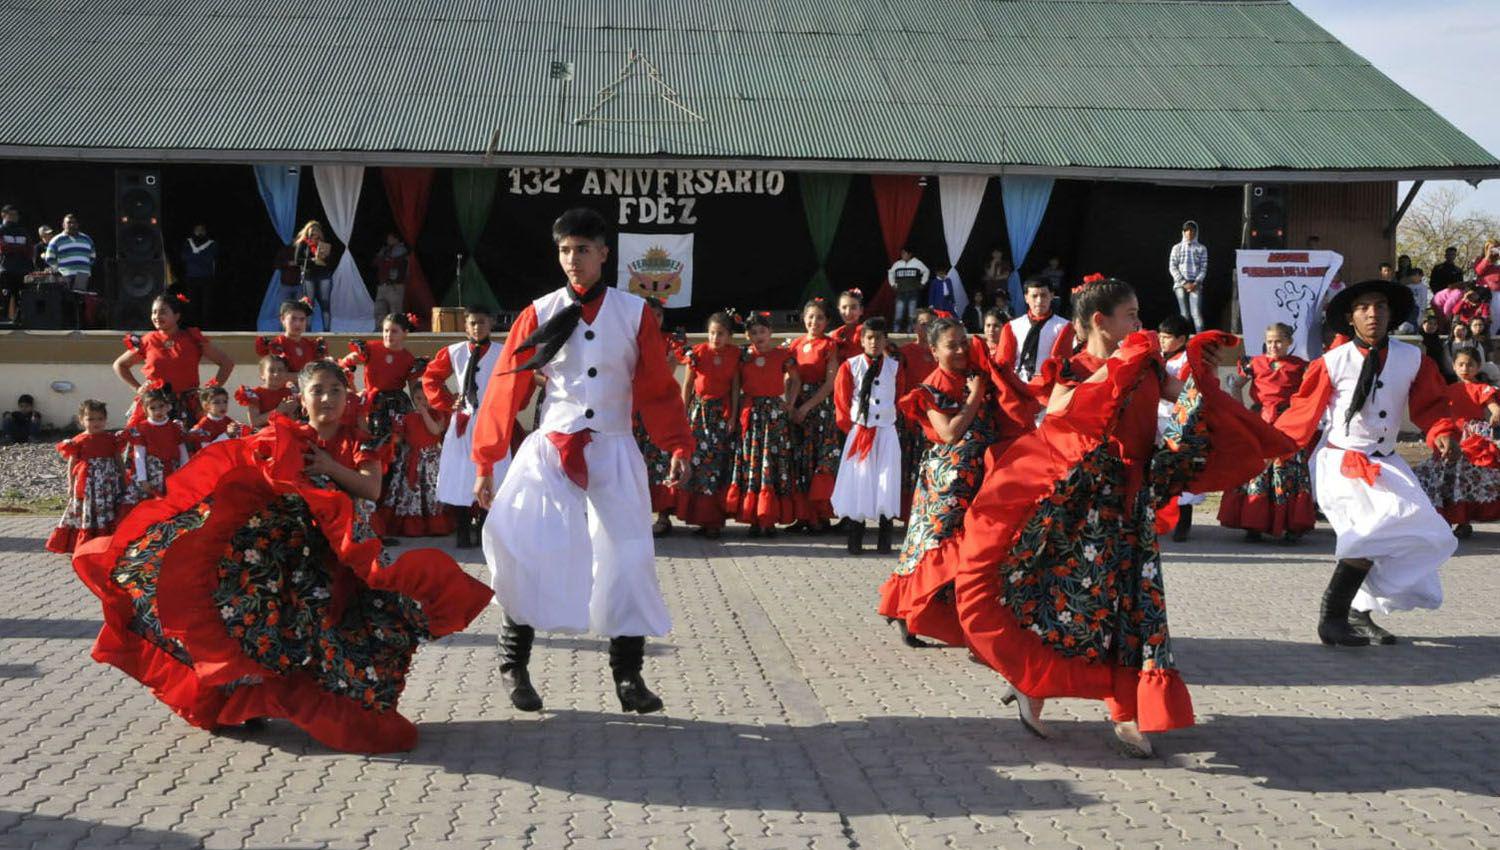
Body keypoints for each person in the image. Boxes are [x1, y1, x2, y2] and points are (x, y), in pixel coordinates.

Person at [71, 360, 493, 753]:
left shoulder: (361, 441)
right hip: (283, 555)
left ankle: (340, 711)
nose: (326, 399)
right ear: (302, 396)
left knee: (337, 634)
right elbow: (245, 468)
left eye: (335, 390)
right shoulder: (286, 434)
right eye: (318, 391)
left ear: (348, 396)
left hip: (341, 560)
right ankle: (236, 704)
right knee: (251, 623)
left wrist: (328, 465)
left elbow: (371, 490)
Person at [949, 277, 1292, 757]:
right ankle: (1034, 684)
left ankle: (1126, 711)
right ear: (1099, 321)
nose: (1138, 322)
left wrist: (1205, 373)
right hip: (1085, 508)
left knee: (1133, 608)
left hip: (1133, 504)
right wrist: (1114, 368)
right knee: (1070, 603)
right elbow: (1061, 409)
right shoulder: (1072, 366)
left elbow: (1183, 396)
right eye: (1130, 314)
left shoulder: (1146, 360)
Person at [471, 207, 693, 716]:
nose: (574, 259)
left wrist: (678, 444)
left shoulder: (634, 314)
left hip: (613, 447)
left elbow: (658, 390)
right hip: (552, 447)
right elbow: (505, 390)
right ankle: (513, 663)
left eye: (584, 250)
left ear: (604, 254)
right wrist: (486, 460)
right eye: (566, 250)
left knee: (629, 557)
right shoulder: (539, 311)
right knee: (528, 545)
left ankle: (628, 676)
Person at [1274, 279, 1460, 647]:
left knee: (1429, 534)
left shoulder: (1413, 359)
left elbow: (1432, 405)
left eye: (1380, 306)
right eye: (1364, 308)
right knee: (1369, 532)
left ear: (1391, 314)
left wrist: (1442, 431)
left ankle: (1359, 611)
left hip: (1386, 462)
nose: (1373, 313)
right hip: (1341, 462)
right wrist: (1270, 446)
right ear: (1350, 317)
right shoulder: (1332, 362)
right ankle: (1332, 619)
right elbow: (1302, 412)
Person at [879, 317, 1037, 647]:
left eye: (964, 341)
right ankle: (908, 612)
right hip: (948, 482)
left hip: (980, 475)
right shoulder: (929, 388)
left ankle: (962, 617)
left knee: (972, 548)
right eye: (952, 345)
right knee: (935, 544)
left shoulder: (974, 374)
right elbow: (950, 432)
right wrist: (976, 395)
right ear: (933, 350)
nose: (961, 349)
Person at [1218, 323, 1315, 543]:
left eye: (1279, 341)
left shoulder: (1301, 367)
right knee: (1257, 469)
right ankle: (1253, 522)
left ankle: (1291, 525)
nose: (1273, 345)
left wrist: (1302, 416)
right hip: (1261, 422)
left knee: (1289, 470)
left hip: (1289, 424)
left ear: (1290, 343)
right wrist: (1242, 412)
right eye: (1270, 341)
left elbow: (1309, 395)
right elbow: (1236, 385)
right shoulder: (1254, 363)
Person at [422, 305, 503, 549]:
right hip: (464, 422)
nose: (477, 327)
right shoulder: (454, 352)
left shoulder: (502, 352)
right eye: (472, 323)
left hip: (492, 421)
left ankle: (486, 530)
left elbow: (519, 379)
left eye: (482, 322)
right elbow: (431, 377)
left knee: (495, 474)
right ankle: (463, 530)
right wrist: (447, 401)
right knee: (461, 475)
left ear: (490, 324)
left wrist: (507, 405)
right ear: (465, 326)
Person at [831, 318, 903, 554]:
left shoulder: (895, 367)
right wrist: (853, 428)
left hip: (886, 431)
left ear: (885, 340)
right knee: (859, 482)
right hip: (861, 430)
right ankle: (856, 539)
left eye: (879, 338)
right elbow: (841, 402)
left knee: (886, 481)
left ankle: (885, 539)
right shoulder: (850, 366)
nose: (874, 342)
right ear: (862, 340)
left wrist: (890, 419)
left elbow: (900, 396)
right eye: (869, 338)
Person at [725, 311, 799, 535]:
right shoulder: (743, 356)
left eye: (763, 331)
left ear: (771, 333)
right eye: (754, 332)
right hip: (752, 415)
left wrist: (790, 403)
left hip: (774, 416)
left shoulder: (783, 355)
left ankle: (770, 518)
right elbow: (736, 388)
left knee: (773, 464)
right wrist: (734, 415)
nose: (759, 336)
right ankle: (754, 519)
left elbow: (795, 379)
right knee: (753, 465)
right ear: (747, 335)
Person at [1414, 347, 1500, 539]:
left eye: (1470, 364)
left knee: (1463, 480)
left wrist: (1495, 413)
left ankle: (1463, 521)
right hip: (1451, 437)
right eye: (1460, 364)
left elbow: (1494, 406)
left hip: (1471, 440)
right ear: (1453, 366)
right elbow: (1435, 409)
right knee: (1445, 477)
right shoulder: (1447, 390)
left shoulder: (1481, 388)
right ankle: (1442, 518)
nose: (1465, 368)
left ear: (1478, 366)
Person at [113, 295, 234, 427]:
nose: (157, 316)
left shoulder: (192, 338)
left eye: (163, 312)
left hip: (188, 406)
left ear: (176, 316)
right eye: (154, 312)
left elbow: (226, 363)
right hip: (155, 404)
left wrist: (210, 392)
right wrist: (138, 389)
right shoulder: (148, 340)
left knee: (190, 444)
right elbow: (120, 365)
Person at [673, 311, 741, 539]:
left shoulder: (734, 355)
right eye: (712, 333)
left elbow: (734, 387)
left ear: (729, 336)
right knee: (698, 464)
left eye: (720, 334)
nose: (715, 338)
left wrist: (732, 417)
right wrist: (684, 411)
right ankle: (699, 518)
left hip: (721, 415)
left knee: (717, 465)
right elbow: (688, 384)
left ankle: (714, 520)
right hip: (699, 413)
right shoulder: (698, 352)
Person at [786, 298, 841, 532]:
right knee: (800, 460)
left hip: (819, 407)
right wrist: (790, 406)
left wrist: (807, 406)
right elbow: (790, 378)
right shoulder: (796, 344)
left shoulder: (829, 345)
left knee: (820, 459)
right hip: (797, 405)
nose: (814, 322)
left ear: (827, 321)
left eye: (819, 317)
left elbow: (830, 383)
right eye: (810, 317)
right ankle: (803, 515)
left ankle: (820, 516)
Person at [45, 399, 126, 554]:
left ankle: (106, 539)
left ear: (106, 419)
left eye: (100, 419)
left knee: (106, 509)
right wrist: (70, 484)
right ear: (81, 420)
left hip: (108, 485)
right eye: (90, 419)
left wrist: (123, 479)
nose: (96, 422)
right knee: (86, 510)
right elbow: (72, 464)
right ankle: (84, 542)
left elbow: (118, 460)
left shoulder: (111, 440)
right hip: (88, 485)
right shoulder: (78, 441)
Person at [376, 384, 454, 538]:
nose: (422, 401)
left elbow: (435, 430)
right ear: (412, 399)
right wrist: (391, 436)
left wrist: (424, 412)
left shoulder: (437, 414)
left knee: (431, 491)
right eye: (418, 398)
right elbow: (400, 439)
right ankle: (412, 525)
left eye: (426, 398)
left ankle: (435, 524)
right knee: (410, 492)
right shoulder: (407, 418)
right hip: (411, 459)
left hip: (431, 461)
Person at [632, 297, 681, 538]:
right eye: (649, 315)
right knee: (632, 463)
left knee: (661, 461)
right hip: (632, 410)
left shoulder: (669, 342)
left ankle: (663, 517)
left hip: (658, 410)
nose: (654, 320)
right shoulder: (629, 340)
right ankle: (634, 516)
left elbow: (666, 375)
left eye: (658, 315)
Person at [1155, 315, 1205, 542]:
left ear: (1181, 339)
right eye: (1160, 337)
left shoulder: (1188, 360)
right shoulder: (1159, 356)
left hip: (1178, 420)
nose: (1162, 341)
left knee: (1181, 471)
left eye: (1167, 338)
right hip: (1156, 416)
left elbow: (1188, 393)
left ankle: (1184, 522)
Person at [341, 312, 423, 439]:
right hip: (372, 402)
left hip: (397, 404)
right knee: (373, 439)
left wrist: (421, 409)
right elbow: (345, 365)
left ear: (405, 333)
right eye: (386, 330)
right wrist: (353, 390)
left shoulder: (409, 359)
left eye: (394, 331)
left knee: (398, 441)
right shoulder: (371, 348)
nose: (388, 335)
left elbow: (414, 389)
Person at [897, 307, 939, 517]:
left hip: (935, 417)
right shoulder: (905, 352)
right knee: (909, 463)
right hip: (911, 416)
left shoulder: (940, 351)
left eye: (930, 323)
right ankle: (907, 512)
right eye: (922, 323)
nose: (926, 327)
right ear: (914, 327)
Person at [993, 279, 1074, 382]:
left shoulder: (1064, 326)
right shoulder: (1012, 326)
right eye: (1034, 296)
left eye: (1044, 295)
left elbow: (1061, 364)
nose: (1039, 301)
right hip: (1017, 384)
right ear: (1026, 298)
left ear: (1052, 296)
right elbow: (1003, 362)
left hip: (1047, 386)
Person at [122, 386, 190, 505]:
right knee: (151, 503)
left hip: (172, 471)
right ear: (145, 409)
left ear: (167, 406)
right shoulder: (142, 428)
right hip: (151, 474)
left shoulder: (175, 427)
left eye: (161, 406)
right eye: (153, 408)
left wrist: (186, 472)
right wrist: (142, 479)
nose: (158, 411)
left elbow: (182, 451)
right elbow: (139, 455)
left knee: (173, 502)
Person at [256, 298, 328, 375]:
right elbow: (278, 377)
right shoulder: (276, 345)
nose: (298, 324)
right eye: (293, 319)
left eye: (302, 319)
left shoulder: (311, 345)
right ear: (282, 319)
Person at [236, 355, 298, 431]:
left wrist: (291, 411)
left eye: (280, 370)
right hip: (263, 435)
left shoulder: (290, 391)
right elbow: (254, 421)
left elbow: (293, 420)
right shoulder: (254, 394)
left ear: (286, 372)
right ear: (262, 375)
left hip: (285, 433)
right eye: (271, 371)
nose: (276, 374)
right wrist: (278, 411)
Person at [293, 221, 335, 330]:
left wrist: (324, 257)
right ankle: (308, 331)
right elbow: (297, 260)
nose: (314, 237)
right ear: (307, 234)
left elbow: (331, 262)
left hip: (324, 276)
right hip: (309, 276)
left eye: (317, 235)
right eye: (312, 234)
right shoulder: (303, 244)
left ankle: (327, 331)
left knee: (325, 304)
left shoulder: (323, 245)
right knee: (309, 304)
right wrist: (312, 260)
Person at [1168, 220, 1208, 332]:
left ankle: (1200, 339)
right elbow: (1172, 267)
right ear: (1183, 232)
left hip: (1196, 284)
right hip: (1180, 284)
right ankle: (1184, 338)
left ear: (1196, 232)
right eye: (1187, 230)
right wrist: (1184, 283)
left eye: (1192, 230)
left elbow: (1203, 268)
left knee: (1196, 313)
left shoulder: (1201, 248)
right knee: (1184, 314)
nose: (1189, 233)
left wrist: (1195, 283)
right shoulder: (1177, 248)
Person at [43, 213, 95, 292]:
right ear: (63, 225)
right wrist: (59, 270)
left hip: (82, 275)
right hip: (65, 275)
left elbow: (92, 257)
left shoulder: (87, 239)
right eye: (69, 222)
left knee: (80, 299)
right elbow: (49, 258)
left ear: (77, 224)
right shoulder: (56, 240)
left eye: (74, 222)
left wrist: (83, 267)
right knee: (67, 300)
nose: (72, 225)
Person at [178, 224, 218, 325]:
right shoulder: (188, 242)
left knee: (207, 303)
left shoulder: (212, 244)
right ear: (194, 231)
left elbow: (209, 259)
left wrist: (194, 257)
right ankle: (193, 324)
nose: (200, 232)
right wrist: (199, 257)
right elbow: (184, 257)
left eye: (202, 230)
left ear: (205, 231)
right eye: (197, 230)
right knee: (192, 302)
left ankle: (207, 325)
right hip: (192, 277)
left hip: (206, 277)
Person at [888, 247, 930, 333]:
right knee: (898, 315)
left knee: (912, 315)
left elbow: (926, 271)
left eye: (904, 253)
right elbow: (890, 273)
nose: (903, 255)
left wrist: (922, 283)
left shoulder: (917, 263)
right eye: (902, 253)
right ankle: (896, 332)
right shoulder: (897, 264)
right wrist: (892, 284)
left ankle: (910, 332)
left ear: (910, 254)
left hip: (913, 292)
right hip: (901, 292)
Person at [371, 232, 409, 326]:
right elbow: (376, 262)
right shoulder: (385, 249)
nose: (388, 240)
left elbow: (394, 262)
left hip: (394, 286)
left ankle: (396, 331)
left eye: (391, 238)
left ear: (396, 239)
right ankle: (380, 331)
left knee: (395, 312)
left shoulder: (401, 249)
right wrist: (383, 259)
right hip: (382, 285)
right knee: (379, 310)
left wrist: (385, 260)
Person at [0, 205, 29, 320]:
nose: (14, 217)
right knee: (5, 296)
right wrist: (19, 248)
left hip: (22, 270)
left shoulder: (23, 231)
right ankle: (2, 321)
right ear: (3, 214)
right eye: (11, 214)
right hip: (4, 269)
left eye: (16, 215)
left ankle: (18, 321)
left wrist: (11, 247)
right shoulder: (1, 230)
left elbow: (29, 250)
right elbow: (2, 248)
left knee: (20, 297)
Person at [831, 288, 865, 361]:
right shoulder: (836, 334)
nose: (848, 312)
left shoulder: (866, 332)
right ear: (839, 309)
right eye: (844, 307)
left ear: (861, 310)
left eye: (853, 307)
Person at [1395, 267, 1431, 334]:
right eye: (1412, 275)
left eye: (1416, 275)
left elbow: (1423, 300)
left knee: (1415, 327)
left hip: (1418, 310)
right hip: (1408, 309)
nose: (1413, 277)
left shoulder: (1423, 288)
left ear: (1421, 276)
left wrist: (1422, 311)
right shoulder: (1407, 287)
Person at [981, 248, 1013, 315]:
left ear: (1001, 253)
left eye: (998, 252)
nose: (996, 254)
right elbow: (990, 274)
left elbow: (1005, 275)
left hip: (1002, 290)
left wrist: (991, 278)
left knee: (1004, 309)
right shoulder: (988, 263)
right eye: (994, 253)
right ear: (992, 254)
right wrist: (993, 263)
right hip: (991, 291)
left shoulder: (1005, 263)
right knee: (992, 311)